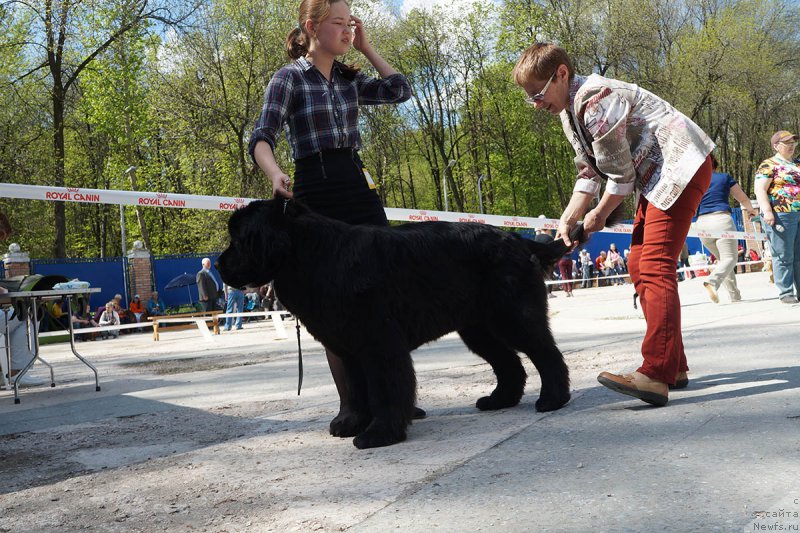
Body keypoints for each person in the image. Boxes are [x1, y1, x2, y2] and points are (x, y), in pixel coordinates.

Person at [248, 0, 421, 425]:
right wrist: (274, 174)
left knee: (385, 288)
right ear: (311, 27)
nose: (348, 31)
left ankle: (393, 396)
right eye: (339, 24)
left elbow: (400, 90)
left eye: (351, 24)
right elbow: (261, 136)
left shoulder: (348, 78)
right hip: (314, 187)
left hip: (356, 182)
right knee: (331, 301)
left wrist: (367, 48)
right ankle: (351, 404)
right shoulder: (288, 79)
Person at [513, 42, 715, 406]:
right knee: (638, 263)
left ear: (561, 74)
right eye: (530, 98)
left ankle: (655, 373)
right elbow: (590, 170)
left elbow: (619, 177)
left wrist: (598, 215)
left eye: (538, 94)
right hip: (656, 175)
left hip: (680, 166)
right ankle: (675, 365)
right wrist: (570, 215)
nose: (536, 104)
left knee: (654, 265)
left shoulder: (596, 98)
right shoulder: (568, 110)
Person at [695, 155, 758, 303]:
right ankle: (712, 281)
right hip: (721, 220)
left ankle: (735, 296)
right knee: (730, 258)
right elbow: (742, 198)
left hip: (701, 224)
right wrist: (751, 210)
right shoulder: (723, 177)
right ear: (715, 165)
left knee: (723, 261)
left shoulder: (693, 181)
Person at [754, 131, 800, 304]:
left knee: (798, 255)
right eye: (787, 143)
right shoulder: (768, 164)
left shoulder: (798, 164)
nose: (791, 146)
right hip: (781, 214)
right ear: (776, 146)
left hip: (798, 214)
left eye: (793, 142)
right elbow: (760, 189)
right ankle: (786, 292)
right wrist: (767, 211)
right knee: (784, 254)